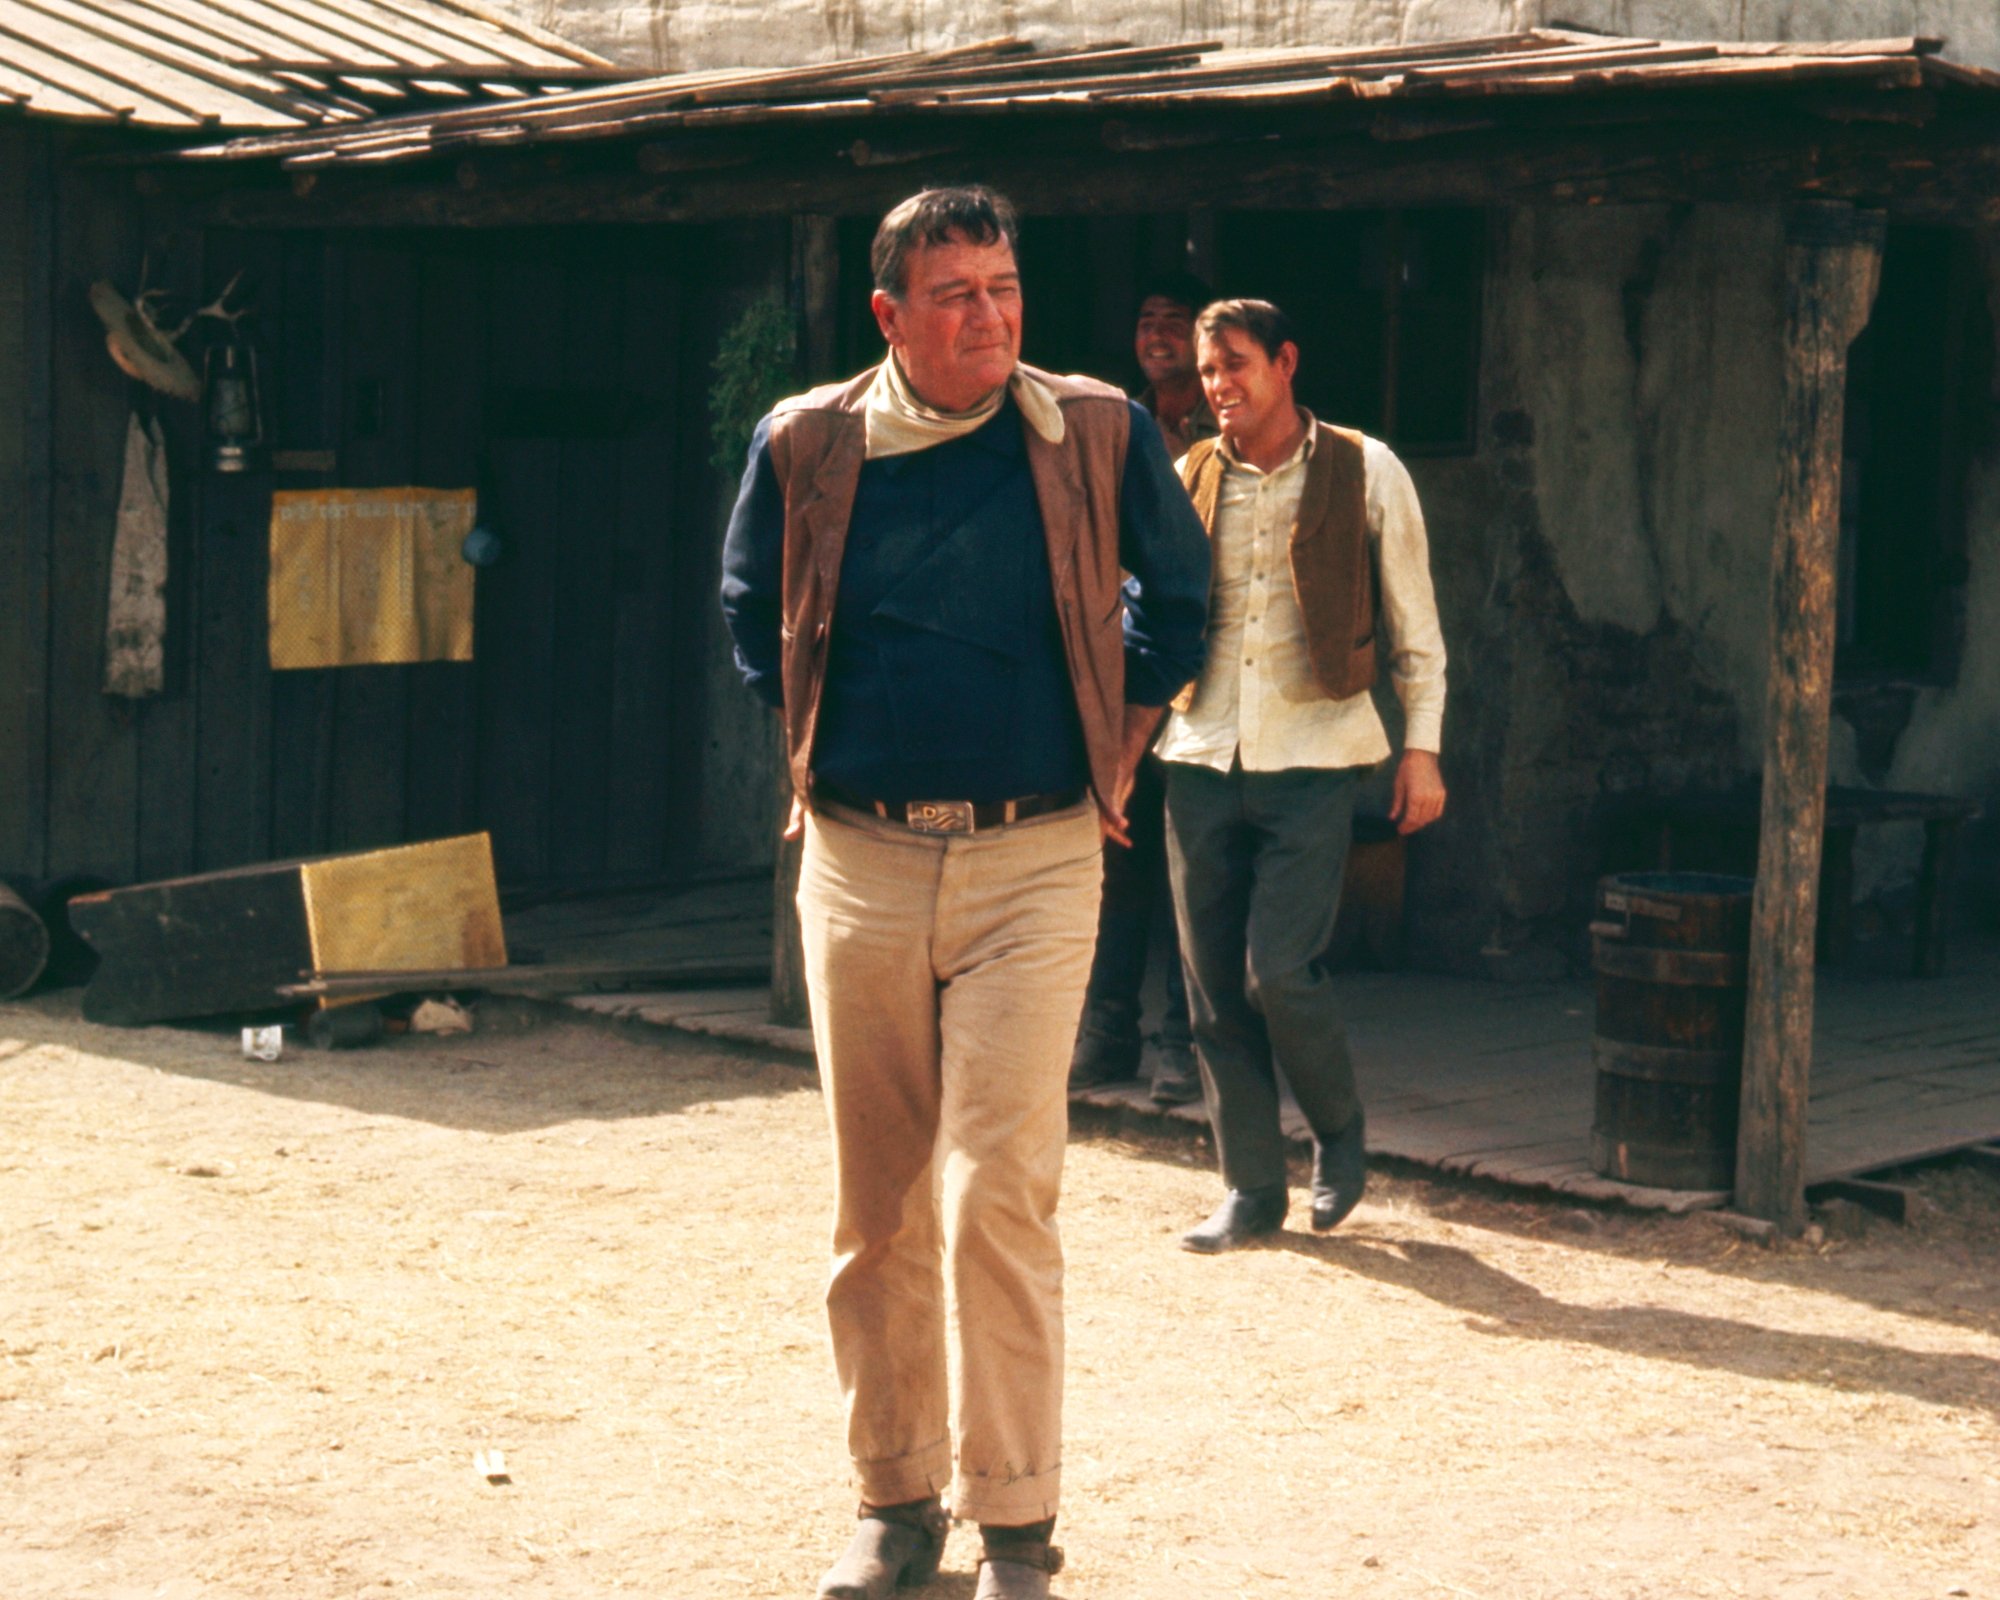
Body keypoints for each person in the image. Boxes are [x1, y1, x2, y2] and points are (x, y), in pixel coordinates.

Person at [719, 187, 1209, 1599]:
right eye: (957, 294)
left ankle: (1018, 1527)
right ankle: (894, 1503)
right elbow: (752, 608)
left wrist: (1121, 739)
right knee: (877, 1207)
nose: (991, 315)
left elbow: (1180, 605)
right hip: (863, 857)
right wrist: (825, 738)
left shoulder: (1094, 431)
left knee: (1003, 1190)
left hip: (1037, 857)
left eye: (1004, 287)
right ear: (889, 316)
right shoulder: (808, 443)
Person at [1156, 298, 1448, 1254]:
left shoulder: (1365, 467)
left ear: (1285, 362)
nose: (1220, 387)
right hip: (1199, 753)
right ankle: (1250, 1189)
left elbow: (1415, 624)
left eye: (1235, 365)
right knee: (1209, 987)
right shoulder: (1189, 472)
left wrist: (1423, 747)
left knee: (1278, 971)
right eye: (1207, 374)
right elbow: (1148, 616)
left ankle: (1338, 1127)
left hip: (1315, 756)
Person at [1069, 270, 1218, 1106]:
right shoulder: (1112, 425)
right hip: (1116, 667)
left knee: (1185, 867)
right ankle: (1107, 1032)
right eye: (1148, 320)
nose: (1159, 334)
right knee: (1118, 856)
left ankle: (1182, 1046)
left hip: (1196, 669)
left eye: (1175, 322)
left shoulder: (1223, 429)